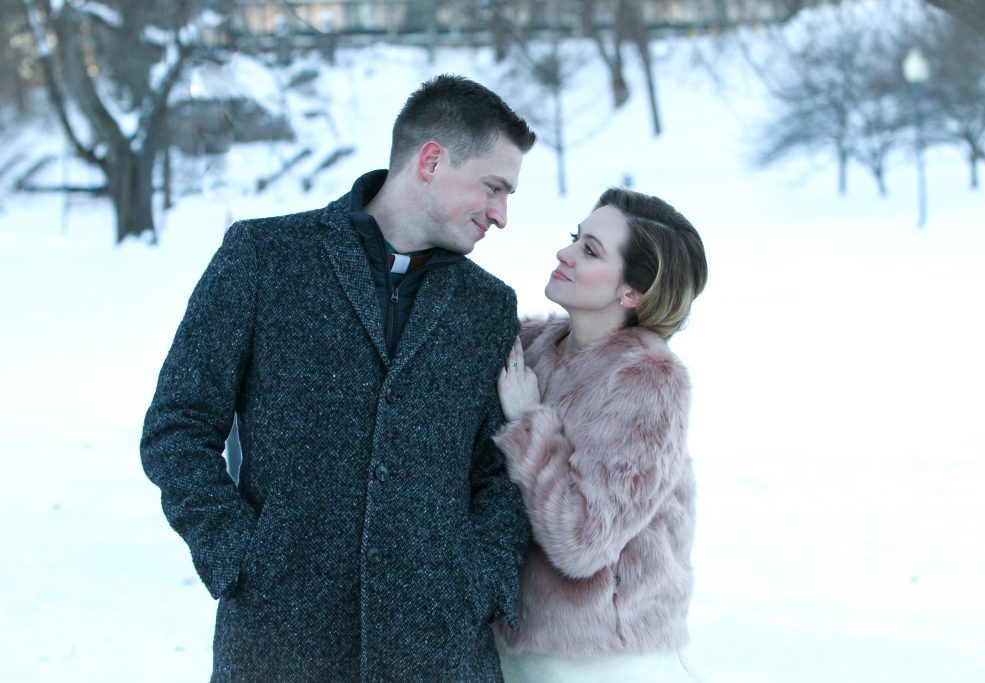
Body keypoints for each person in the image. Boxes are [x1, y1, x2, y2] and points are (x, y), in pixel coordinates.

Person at [140, 74, 536, 683]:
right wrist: (237, 555)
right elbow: (178, 426)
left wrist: (480, 581)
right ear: (431, 160)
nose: (501, 215)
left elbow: (495, 473)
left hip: (439, 652)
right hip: (279, 643)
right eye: (494, 188)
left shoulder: (487, 306)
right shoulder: (264, 258)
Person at [493, 188, 707, 682]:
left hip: (604, 659)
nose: (564, 253)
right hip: (520, 648)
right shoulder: (531, 345)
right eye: (575, 237)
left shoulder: (647, 380)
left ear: (631, 293)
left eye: (589, 250)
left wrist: (529, 422)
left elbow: (584, 543)